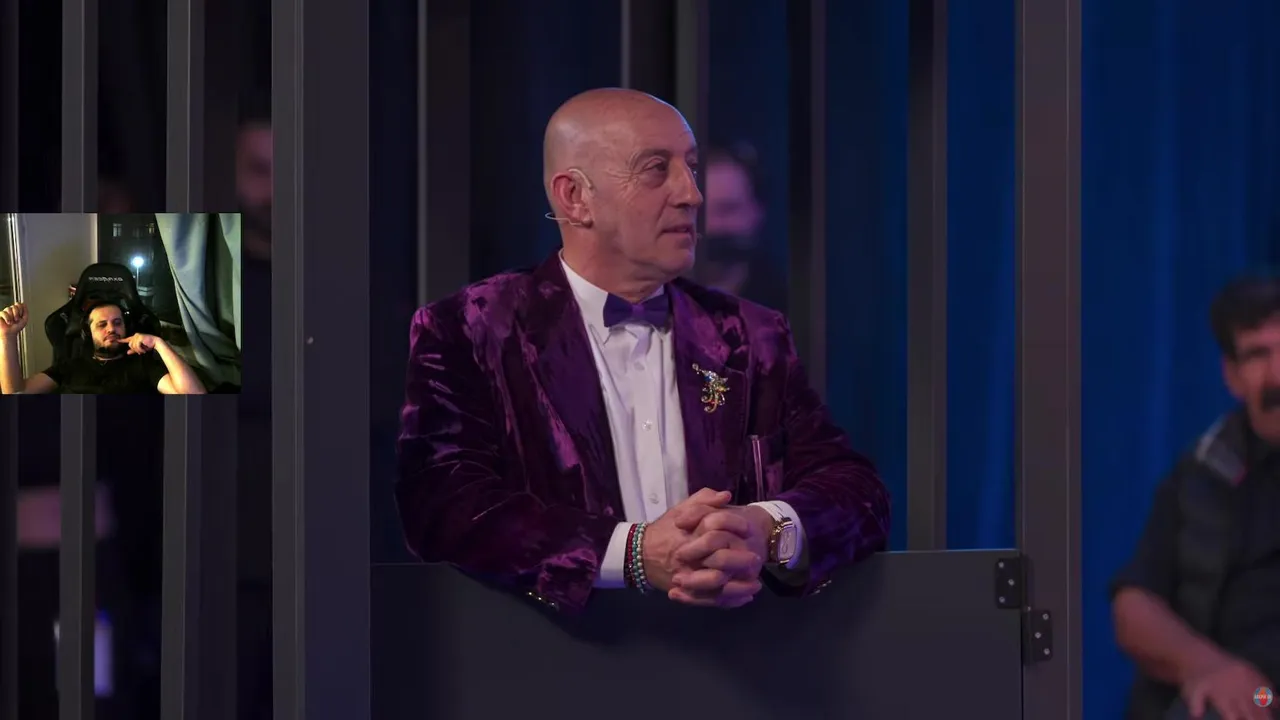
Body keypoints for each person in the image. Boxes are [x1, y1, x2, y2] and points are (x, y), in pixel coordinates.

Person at [395, 88, 890, 615]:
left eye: (691, 167)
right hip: (551, 656)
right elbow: (443, 506)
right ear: (574, 197)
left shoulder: (750, 334)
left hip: (739, 656)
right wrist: (633, 552)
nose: (691, 195)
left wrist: (764, 528)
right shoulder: (473, 328)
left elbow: (859, 494)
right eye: (657, 169)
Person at [1112, 275, 1280, 720]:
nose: (1278, 374)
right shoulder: (1204, 474)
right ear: (1232, 376)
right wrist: (1211, 667)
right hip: (1248, 696)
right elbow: (1134, 605)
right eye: (1258, 355)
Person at [0, 300, 206, 395]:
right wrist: (6, 337)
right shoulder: (70, 366)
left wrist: (159, 344)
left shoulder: (144, 366)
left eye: (117, 323)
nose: (111, 329)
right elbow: (16, 392)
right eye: (101, 324)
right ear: (87, 332)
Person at [695, 144, 788, 313]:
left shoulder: (790, 308)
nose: (711, 226)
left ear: (757, 212)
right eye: (698, 211)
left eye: (727, 210)